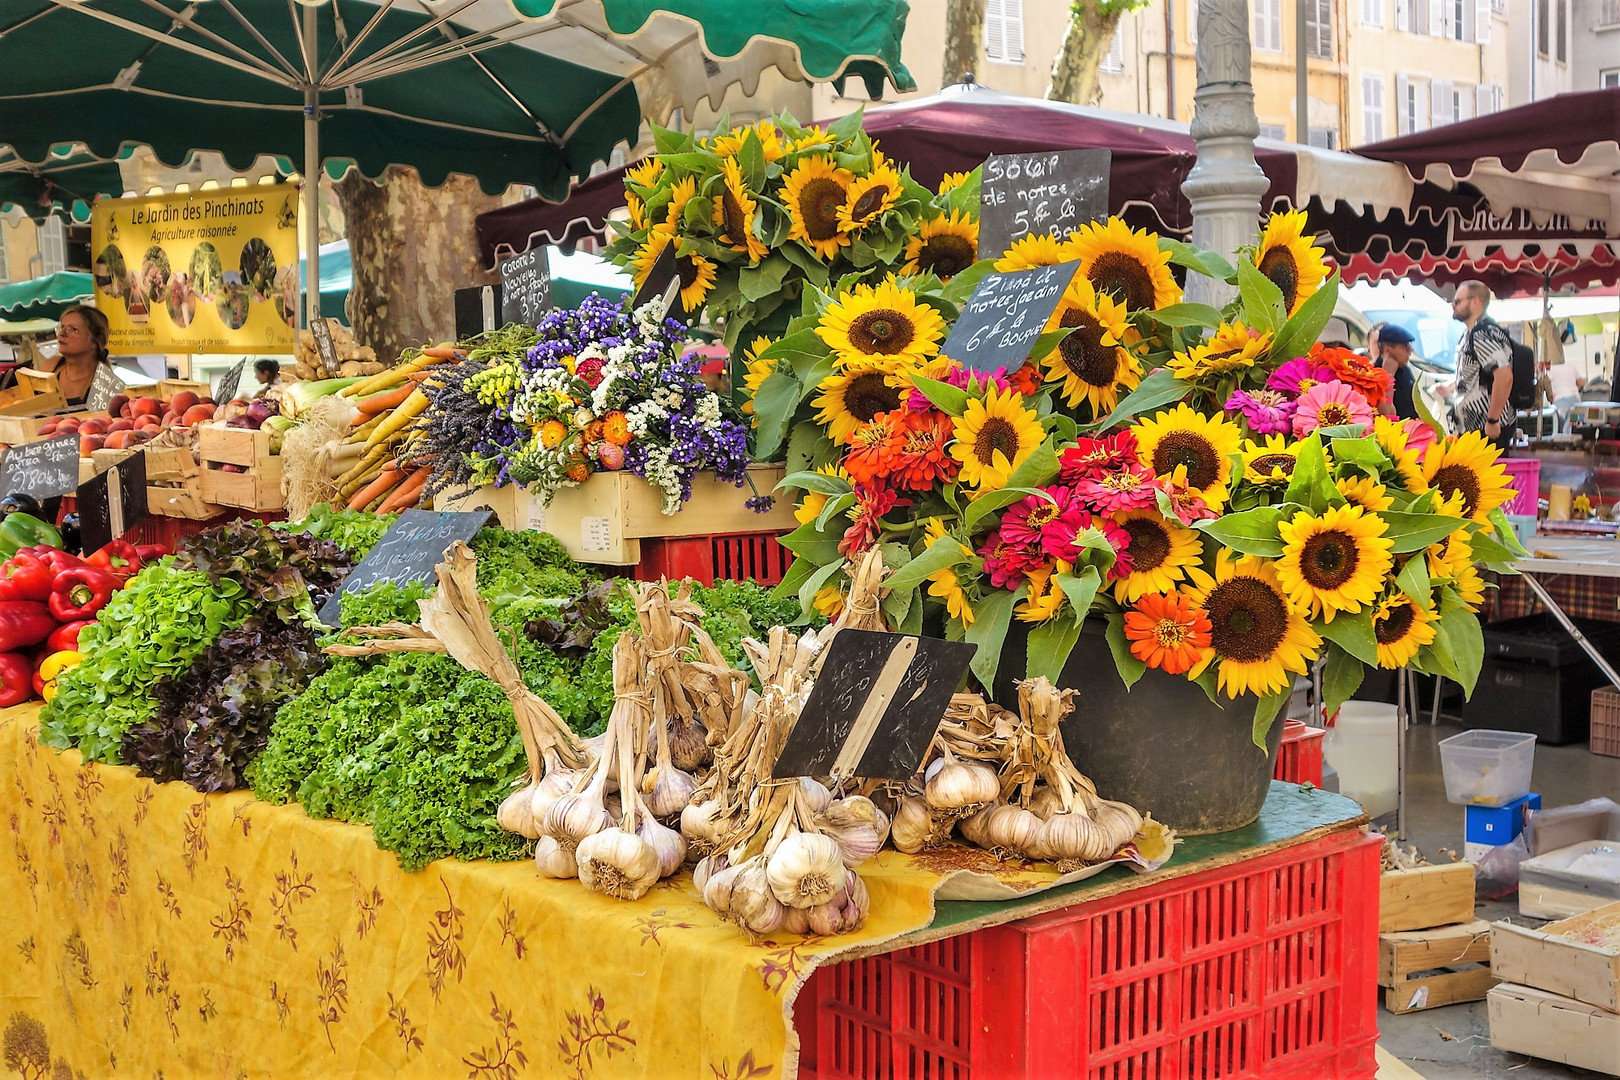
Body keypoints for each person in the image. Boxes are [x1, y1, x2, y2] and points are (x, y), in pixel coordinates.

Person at [1446, 280, 1516, 449]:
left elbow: (1504, 376)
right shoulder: (1470, 334)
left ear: (1475, 301)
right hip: (1474, 430)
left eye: (1457, 301)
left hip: (1485, 431)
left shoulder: (1483, 335)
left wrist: (1493, 419)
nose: (1453, 305)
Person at [42, 305, 115, 405]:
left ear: (95, 341)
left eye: (73, 329)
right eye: (62, 327)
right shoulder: (50, 368)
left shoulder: (105, 383)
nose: (62, 333)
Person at [1375, 324, 1420, 421]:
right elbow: (1385, 413)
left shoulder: (1405, 370)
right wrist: (1388, 376)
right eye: (1406, 347)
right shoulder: (1374, 374)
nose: (1410, 351)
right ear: (1387, 349)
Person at [1546, 354, 1584, 431]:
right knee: (1575, 425)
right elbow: (1581, 383)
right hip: (1575, 399)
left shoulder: (1549, 370)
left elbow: (1546, 388)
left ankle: (1565, 439)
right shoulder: (1570, 366)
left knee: (1561, 427)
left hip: (1560, 402)